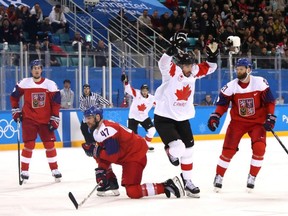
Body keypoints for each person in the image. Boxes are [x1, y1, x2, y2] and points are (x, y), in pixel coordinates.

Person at [154, 31, 218, 198]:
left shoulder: (194, 72)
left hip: (182, 119)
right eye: (186, 66)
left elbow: (211, 68)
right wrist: (172, 49)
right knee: (178, 148)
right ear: (180, 65)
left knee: (189, 150)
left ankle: (188, 182)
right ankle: (170, 151)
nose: (189, 69)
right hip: (165, 118)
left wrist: (212, 56)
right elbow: (163, 63)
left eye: (191, 66)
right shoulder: (172, 72)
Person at [81, 106, 184, 198]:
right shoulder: (96, 131)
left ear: (98, 117)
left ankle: (167, 185)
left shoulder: (107, 129)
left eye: (89, 118)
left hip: (135, 156)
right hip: (126, 155)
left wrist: (95, 152)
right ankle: (110, 182)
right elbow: (103, 153)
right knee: (98, 151)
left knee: (133, 192)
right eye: (86, 118)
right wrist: (101, 169)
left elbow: (112, 156)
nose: (86, 121)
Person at [207, 58, 276, 192]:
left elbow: (270, 102)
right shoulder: (231, 86)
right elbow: (222, 105)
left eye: (241, 69)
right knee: (228, 150)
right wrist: (215, 116)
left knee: (259, 148)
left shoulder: (260, 82)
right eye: (237, 69)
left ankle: (252, 176)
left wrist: (270, 117)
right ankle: (219, 176)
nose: (239, 71)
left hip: (257, 122)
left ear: (249, 69)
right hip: (238, 123)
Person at [10, 59, 62, 182]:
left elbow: (56, 103)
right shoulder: (24, 83)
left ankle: (54, 169)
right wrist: (16, 110)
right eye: (34, 68)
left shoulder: (50, 84)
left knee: (50, 145)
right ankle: (24, 170)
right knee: (29, 145)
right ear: (31, 70)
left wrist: (55, 117)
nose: (36, 70)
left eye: (38, 68)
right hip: (29, 119)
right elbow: (14, 97)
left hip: (45, 121)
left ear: (41, 69)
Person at [121, 76, 156, 151]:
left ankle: (146, 145)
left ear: (148, 91)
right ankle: (134, 148)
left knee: (152, 130)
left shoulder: (152, 98)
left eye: (146, 90)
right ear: (141, 91)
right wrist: (126, 82)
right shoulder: (137, 94)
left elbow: (160, 105)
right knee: (133, 136)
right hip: (133, 117)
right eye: (143, 90)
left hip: (143, 117)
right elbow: (128, 89)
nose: (144, 92)